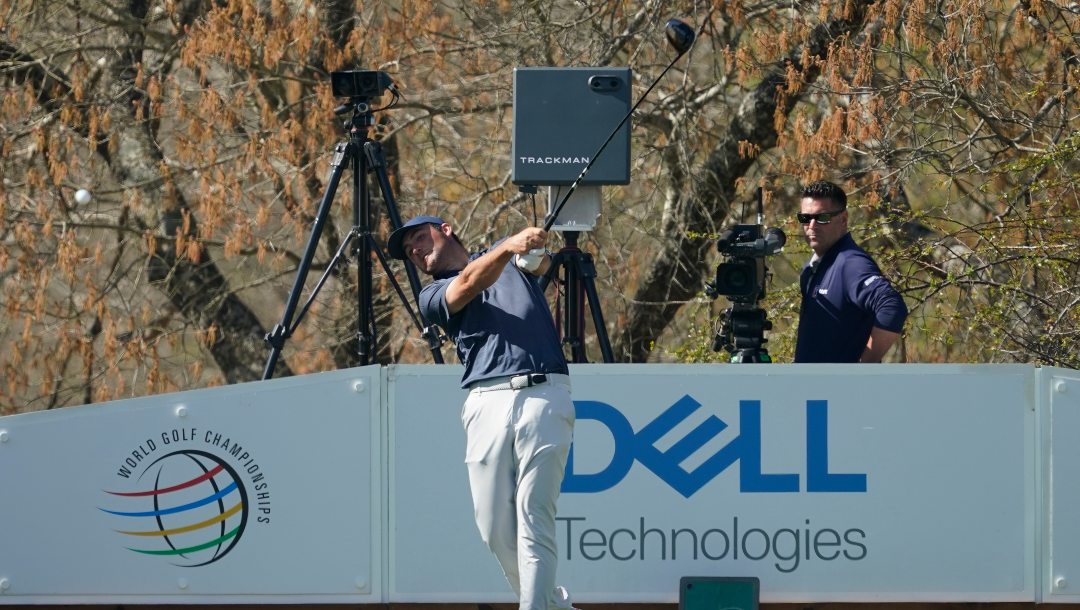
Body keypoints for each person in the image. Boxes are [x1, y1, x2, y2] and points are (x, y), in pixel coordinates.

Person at [387, 215, 578, 610]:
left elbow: (539, 266)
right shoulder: (432, 294)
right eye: (410, 251)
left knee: (533, 515)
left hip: (544, 393)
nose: (416, 251)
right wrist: (510, 245)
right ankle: (552, 606)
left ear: (447, 228)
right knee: (493, 528)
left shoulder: (509, 261)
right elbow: (472, 282)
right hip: (485, 401)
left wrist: (533, 246)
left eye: (420, 239)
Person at [794, 181, 908, 363]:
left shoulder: (850, 263)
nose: (812, 225)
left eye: (822, 218)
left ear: (844, 219)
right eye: (805, 218)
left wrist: (862, 367)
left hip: (843, 389)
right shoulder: (811, 269)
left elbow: (892, 306)